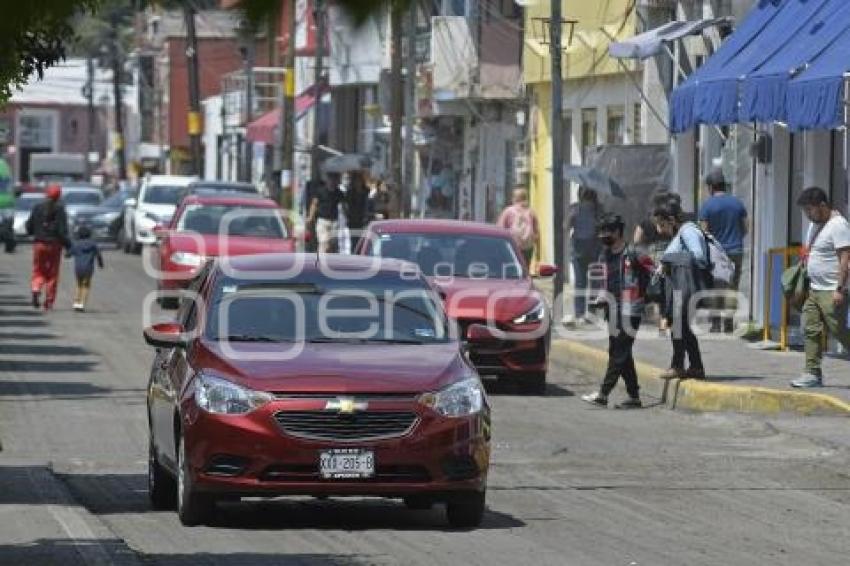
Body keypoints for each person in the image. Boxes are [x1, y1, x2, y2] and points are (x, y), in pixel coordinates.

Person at [581, 213, 653, 409]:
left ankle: (603, 394)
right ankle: (634, 396)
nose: (604, 235)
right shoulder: (604, 255)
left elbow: (655, 273)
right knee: (621, 351)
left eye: (608, 231)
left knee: (619, 351)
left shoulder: (634, 253)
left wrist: (652, 298)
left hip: (632, 309)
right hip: (612, 308)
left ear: (619, 232)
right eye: (602, 231)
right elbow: (606, 282)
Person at [791, 187, 850, 388]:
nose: (808, 214)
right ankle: (812, 373)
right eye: (805, 210)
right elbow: (809, 248)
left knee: (840, 332)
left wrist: (839, 288)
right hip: (814, 289)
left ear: (823, 206)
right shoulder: (814, 225)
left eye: (810, 209)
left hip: (832, 290)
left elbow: (845, 258)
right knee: (810, 328)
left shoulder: (838, 225)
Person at [654, 201, 709, 380]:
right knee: (682, 327)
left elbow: (699, 256)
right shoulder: (682, 233)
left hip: (684, 287)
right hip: (679, 286)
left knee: (678, 327)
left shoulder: (688, 231)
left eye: (662, 224)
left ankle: (678, 366)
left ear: (671, 220)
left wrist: (669, 259)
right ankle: (696, 366)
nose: (659, 229)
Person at [698, 169, 748, 333]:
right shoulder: (737, 203)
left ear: (711, 187)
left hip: (716, 254)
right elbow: (746, 227)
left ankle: (715, 323)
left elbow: (704, 232)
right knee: (732, 287)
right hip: (735, 251)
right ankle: (728, 322)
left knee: (715, 287)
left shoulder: (707, 206)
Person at [25, 184, 71, 310]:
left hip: (39, 244)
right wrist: (68, 245)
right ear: (59, 196)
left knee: (38, 270)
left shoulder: (37, 208)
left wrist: (32, 232)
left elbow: (29, 226)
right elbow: (62, 231)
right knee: (52, 274)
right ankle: (48, 302)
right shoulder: (60, 210)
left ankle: (36, 287)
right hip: (55, 245)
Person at [566, 187, 600, 325]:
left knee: (581, 283)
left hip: (582, 251)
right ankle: (590, 313)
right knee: (593, 283)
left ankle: (581, 313)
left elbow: (565, 226)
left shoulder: (575, 208)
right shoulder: (598, 209)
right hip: (593, 250)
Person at [497, 187, 540, 267]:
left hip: (512, 245)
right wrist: (538, 253)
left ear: (514, 198)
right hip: (528, 246)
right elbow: (537, 233)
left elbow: (499, 229)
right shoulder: (531, 212)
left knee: (512, 268)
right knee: (525, 268)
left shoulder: (508, 211)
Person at [66, 225, 104, 312]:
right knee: (86, 286)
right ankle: (82, 303)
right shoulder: (93, 244)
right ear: (89, 234)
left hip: (78, 268)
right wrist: (100, 264)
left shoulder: (76, 244)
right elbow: (99, 255)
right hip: (88, 269)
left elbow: (68, 254)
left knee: (78, 285)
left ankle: (76, 302)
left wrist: (68, 253)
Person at [307, 174, 345, 254]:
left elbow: (344, 206)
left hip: (334, 222)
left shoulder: (339, 193)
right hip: (322, 221)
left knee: (333, 244)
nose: (332, 182)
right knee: (324, 243)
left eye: (334, 179)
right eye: (331, 179)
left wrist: (346, 215)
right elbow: (314, 204)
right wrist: (310, 217)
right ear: (327, 180)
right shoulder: (320, 191)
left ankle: (331, 262)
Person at [346, 171, 371, 252]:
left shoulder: (366, 191)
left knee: (363, 239)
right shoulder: (350, 192)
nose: (358, 183)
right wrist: (347, 214)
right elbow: (346, 206)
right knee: (354, 240)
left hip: (363, 219)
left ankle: (361, 253)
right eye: (356, 181)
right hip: (353, 220)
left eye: (359, 180)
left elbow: (368, 204)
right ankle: (354, 253)